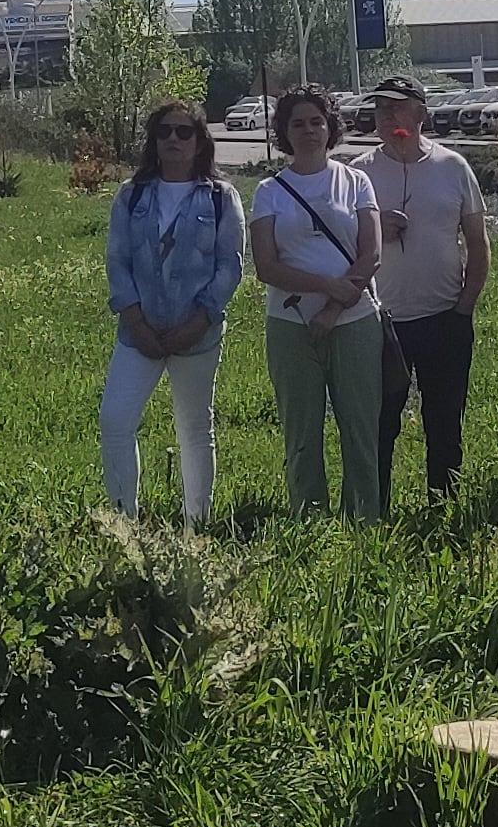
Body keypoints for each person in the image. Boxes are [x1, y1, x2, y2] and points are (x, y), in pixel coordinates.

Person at [102, 101, 243, 523]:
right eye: (165, 132)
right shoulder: (132, 194)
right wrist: (135, 321)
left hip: (196, 334)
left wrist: (199, 320)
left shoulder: (221, 197)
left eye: (185, 132)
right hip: (138, 334)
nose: (174, 140)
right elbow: (117, 260)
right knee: (115, 420)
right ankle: (123, 520)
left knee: (195, 429)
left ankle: (196, 523)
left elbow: (230, 265)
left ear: (200, 141)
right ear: (154, 141)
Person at [253, 85, 390, 518]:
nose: (309, 131)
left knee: (361, 428)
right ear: (284, 132)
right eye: (298, 123)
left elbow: (371, 253)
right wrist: (327, 286)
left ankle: (364, 519)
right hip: (290, 324)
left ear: (331, 127)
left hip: (354, 321)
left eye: (317, 122)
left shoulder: (356, 181)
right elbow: (267, 266)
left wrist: (335, 307)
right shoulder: (269, 191)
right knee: (302, 431)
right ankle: (308, 519)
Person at [364, 72, 488, 501]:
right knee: (380, 422)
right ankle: (374, 509)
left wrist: (465, 307)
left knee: (444, 422)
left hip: (444, 317)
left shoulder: (452, 167)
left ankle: (444, 506)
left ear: (420, 113)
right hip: (381, 322)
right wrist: (378, 227)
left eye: (396, 106)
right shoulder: (360, 173)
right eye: (380, 108)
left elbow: (478, 241)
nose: (386, 115)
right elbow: (344, 244)